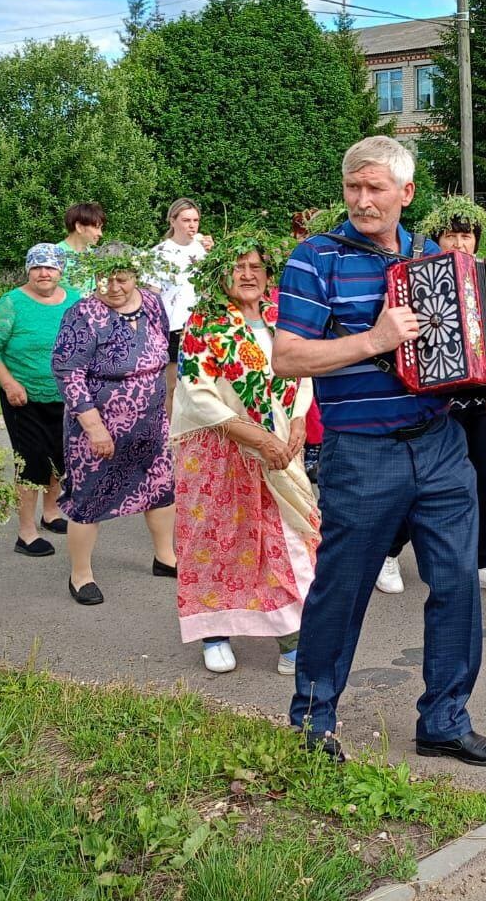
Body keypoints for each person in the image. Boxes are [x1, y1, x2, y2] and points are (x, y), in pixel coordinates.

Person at [275, 136, 486, 767]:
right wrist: (374, 338)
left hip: (442, 446)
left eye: (376, 188)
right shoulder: (316, 259)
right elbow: (288, 357)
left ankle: (445, 718)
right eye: (353, 188)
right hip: (361, 452)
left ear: (406, 193)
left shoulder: (435, 261)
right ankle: (312, 718)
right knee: (344, 587)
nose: (363, 200)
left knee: (457, 583)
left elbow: (470, 356)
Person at [172, 231, 316, 676]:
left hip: (278, 451)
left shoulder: (280, 315)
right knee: (219, 541)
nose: (248, 274)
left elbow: (302, 371)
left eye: (256, 267)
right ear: (222, 275)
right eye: (239, 267)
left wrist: (295, 422)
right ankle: (214, 632)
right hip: (219, 450)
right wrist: (254, 437)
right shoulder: (205, 323)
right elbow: (197, 394)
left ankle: (292, 636)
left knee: (287, 538)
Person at [375, 202, 486, 598]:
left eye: (466, 235)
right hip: (433, 401)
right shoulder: (416, 277)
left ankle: (483, 561)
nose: (459, 242)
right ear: (436, 240)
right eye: (451, 235)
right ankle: (389, 552)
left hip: (484, 400)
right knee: (420, 482)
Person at [52, 244, 176, 605]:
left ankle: (165, 556)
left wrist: (167, 404)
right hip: (99, 424)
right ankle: (81, 575)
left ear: (135, 275)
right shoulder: (82, 313)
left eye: (121, 278)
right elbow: (68, 372)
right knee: (88, 498)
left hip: (151, 419)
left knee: (160, 489)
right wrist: (93, 427)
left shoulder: (153, 303)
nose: (113, 286)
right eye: (104, 279)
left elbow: (163, 354)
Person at [0, 244, 79, 557]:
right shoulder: (12, 303)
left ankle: (51, 514)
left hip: (66, 395)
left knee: (60, 457)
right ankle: (26, 532)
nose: (44, 273)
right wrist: (9, 383)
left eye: (50, 267)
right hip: (23, 397)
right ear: (28, 270)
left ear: (61, 271)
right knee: (32, 460)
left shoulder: (75, 300)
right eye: (37, 267)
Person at [153, 198, 213, 405]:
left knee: (203, 385)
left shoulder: (203, 248)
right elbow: (152, 296)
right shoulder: (160, 253)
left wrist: (214, 253)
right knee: (173, 387)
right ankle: (171, 435)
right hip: (173, 326)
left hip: (203, 324)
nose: (192, 225)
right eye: (186, 220)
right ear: (172, 221)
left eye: (195, 220)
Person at [56, 202, 106, 293]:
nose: (100, 234)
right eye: (97, 227)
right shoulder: (55, 254)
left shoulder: (95, 255)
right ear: (79, 227)